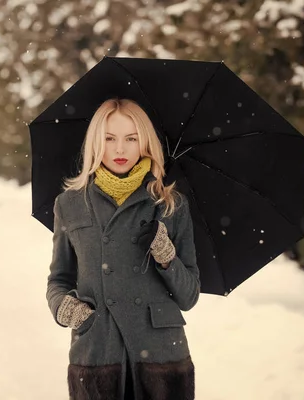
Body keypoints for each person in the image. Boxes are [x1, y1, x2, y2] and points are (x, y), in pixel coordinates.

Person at [46, 99, 200, 399]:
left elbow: (189, 295)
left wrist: (167, 258)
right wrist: (65, 308)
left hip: (160, 354)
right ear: (96, 142)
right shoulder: (71, 204)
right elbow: (59, 279)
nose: (120, 149)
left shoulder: (171, 205)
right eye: (109, 138)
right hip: (98, 350)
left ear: (144, 142)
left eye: (131, 138)